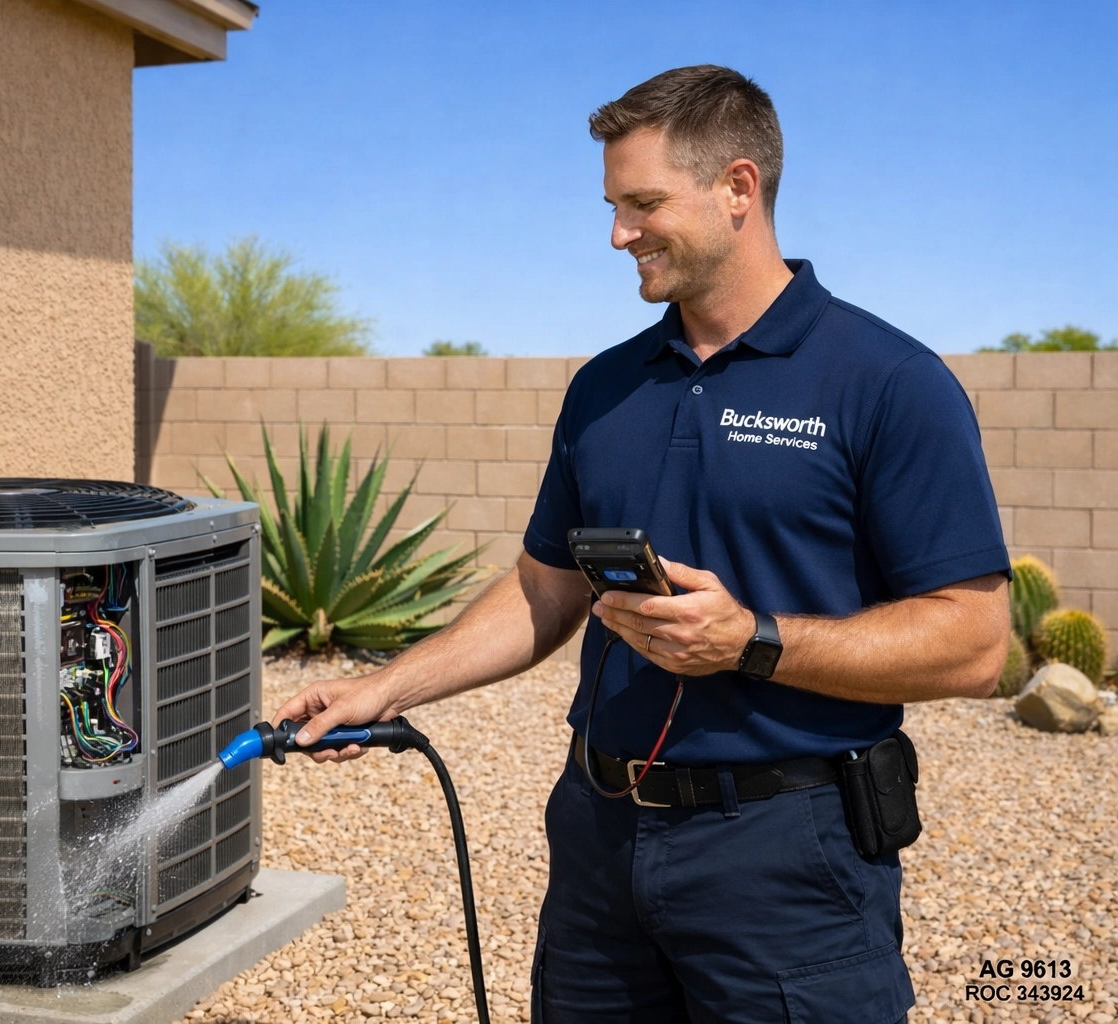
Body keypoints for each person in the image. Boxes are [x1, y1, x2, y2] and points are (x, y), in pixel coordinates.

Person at [273, 65, 1009, 1023]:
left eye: (643, 203)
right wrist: (386, 688)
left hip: (792, 856)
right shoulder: (605, 388)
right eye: (613, 205)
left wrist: (755, 640)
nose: (618, 234)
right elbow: (545, 588)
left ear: (738, 189)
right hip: (597, 843)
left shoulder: (888, 381)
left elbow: (978, 641)